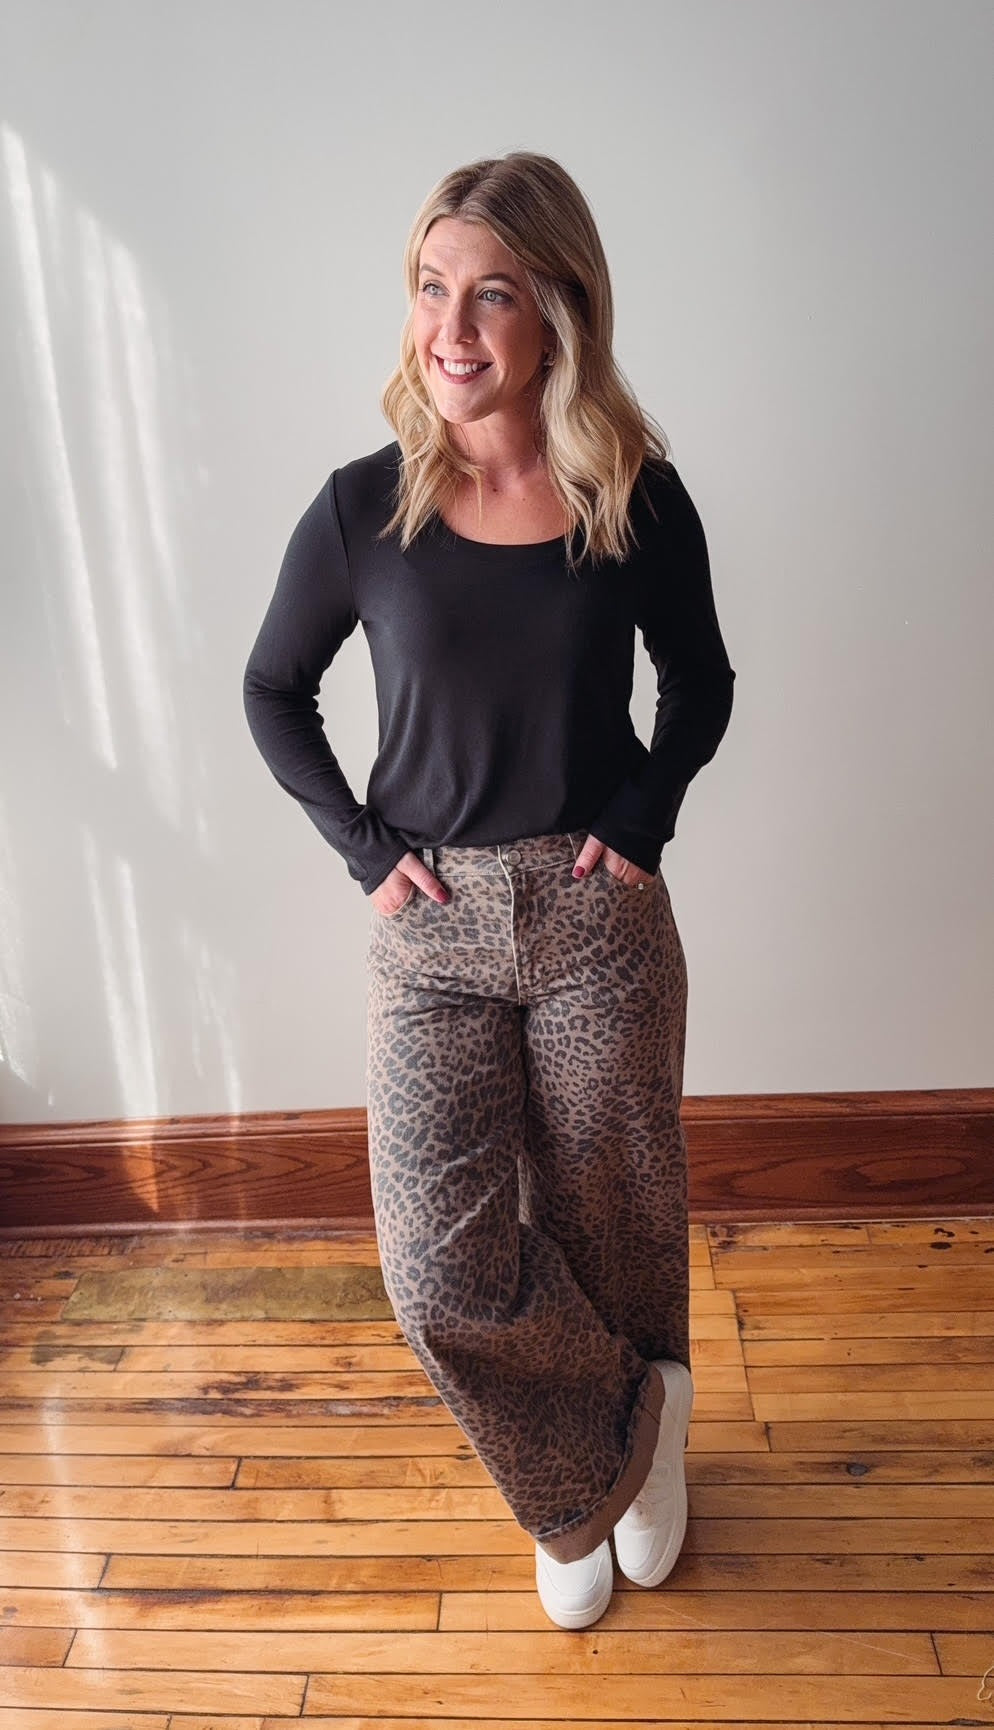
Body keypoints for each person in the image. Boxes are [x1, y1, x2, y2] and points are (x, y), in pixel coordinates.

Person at [242, 150, 735, 1631]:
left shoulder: (629, 496)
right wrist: (360, 847)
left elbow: (698, 681)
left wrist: (643, 815)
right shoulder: (357, 512)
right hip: (434, 928)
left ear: (556, 314)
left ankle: (643, 1444)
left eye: (491, 293)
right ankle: (592, 1460)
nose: (450, 328)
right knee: (436, 1260)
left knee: (614, 1212)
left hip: (595, 919)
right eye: (429, 289)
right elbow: (274, 689)